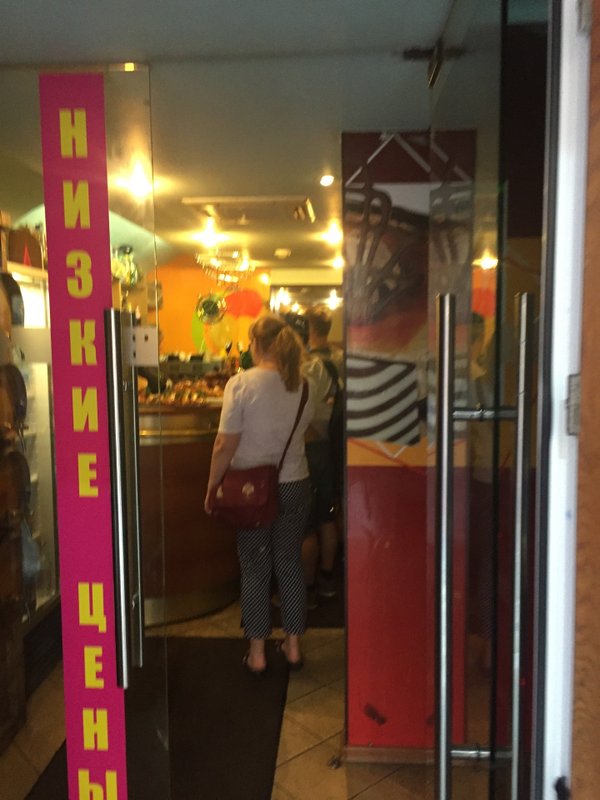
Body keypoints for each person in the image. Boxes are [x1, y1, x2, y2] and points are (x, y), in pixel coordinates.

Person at [204, 314, 315, 674]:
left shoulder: (241, 384)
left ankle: (257, 653)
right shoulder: (304, 385)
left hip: (251, 490)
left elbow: (224, 444)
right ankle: (293, 647)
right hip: (295, 483)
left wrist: (213, 486)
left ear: (256, 344)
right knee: (289, 562)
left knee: (254, 567)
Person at [302, 305, 344, 601]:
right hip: (335, 445)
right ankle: (329, 577)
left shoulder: (309, 367)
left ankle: (308, 586)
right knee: (329, 514)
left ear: (309, 329)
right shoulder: (341, 359)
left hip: (312, 446)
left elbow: (304, 412)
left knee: (307, 522)